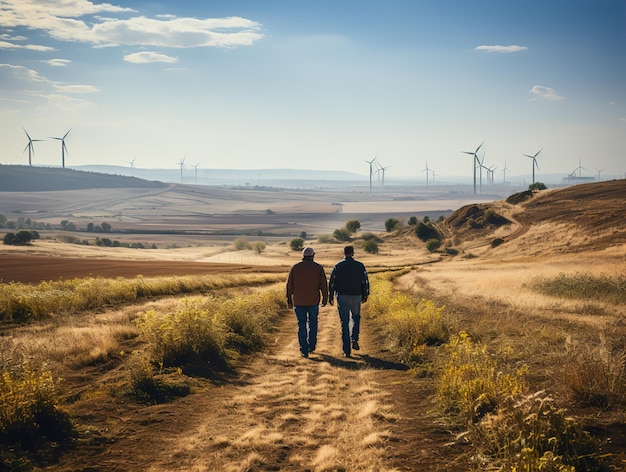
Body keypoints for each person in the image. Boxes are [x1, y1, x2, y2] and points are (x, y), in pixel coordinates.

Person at [286, 247, 328, 358]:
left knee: (301, 325)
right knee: (313, 323)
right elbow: (323, 284)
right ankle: (312, 345)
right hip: (313, 301)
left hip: (298, 301)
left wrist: (289, 299)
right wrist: (325, 298)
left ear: (303, 255)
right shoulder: (318, 267)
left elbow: (289, 285)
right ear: (313, 255)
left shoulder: (295, 267)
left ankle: (303, 349)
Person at [329, 245, 370, 358]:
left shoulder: (338, 266)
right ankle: (354, 339)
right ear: (353, 253)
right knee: (356, 318)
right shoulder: (360, 265)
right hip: (356, 295)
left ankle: (346, 349)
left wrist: (331, 296)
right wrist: (365, 294)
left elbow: (332, 281)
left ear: (344, 252)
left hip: (342, 296)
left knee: (344, 322)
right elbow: (365, 281)